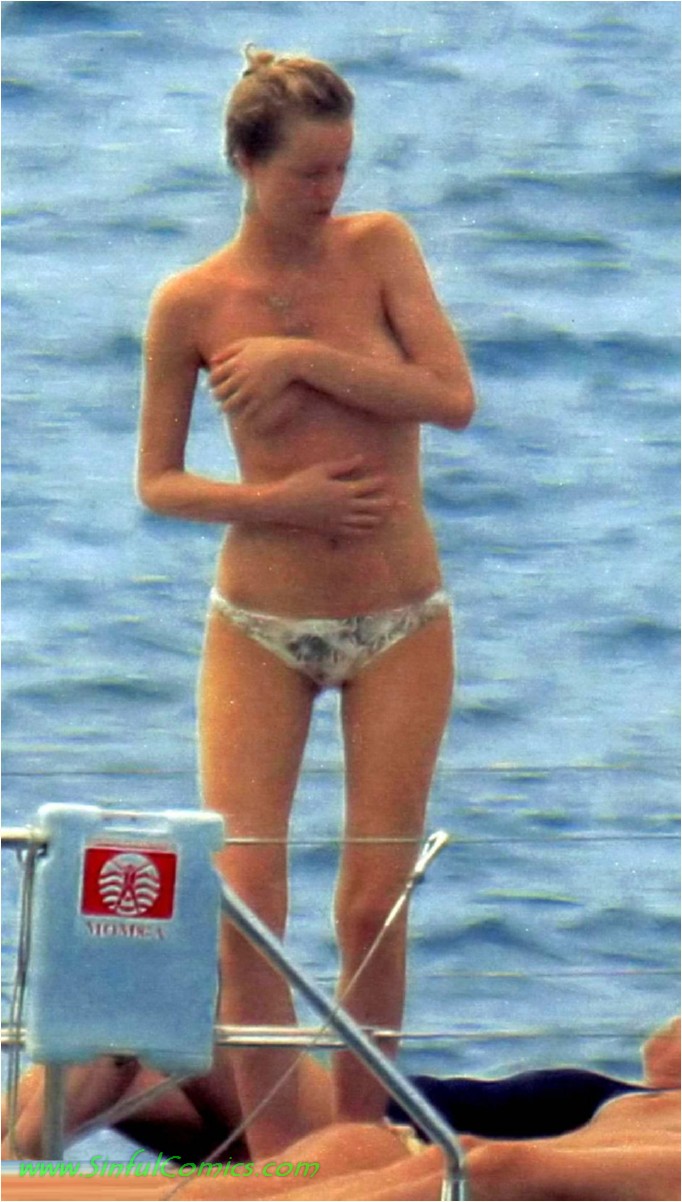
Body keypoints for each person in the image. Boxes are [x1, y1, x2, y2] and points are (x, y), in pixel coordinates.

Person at [136, 45, 475, 1156]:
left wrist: (300, 358)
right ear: (246, 163)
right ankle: (285, 1156)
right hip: (258, 625)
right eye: (307, 174)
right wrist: (276, 501)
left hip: (401, 618)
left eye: (340, 169)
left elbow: (449, 398)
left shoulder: (380, 248)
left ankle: (360, 1142)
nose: (329, 191)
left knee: (372, 901)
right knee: (247, 900)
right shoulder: (190, 301)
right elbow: (159, 482)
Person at [2, 1020, 679, 1201]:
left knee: (158, 1023)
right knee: (136, 1053)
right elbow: (665, 1053)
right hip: (410, 1117)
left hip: (400, 1127)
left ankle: (19, 1170)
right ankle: (17, 1167)